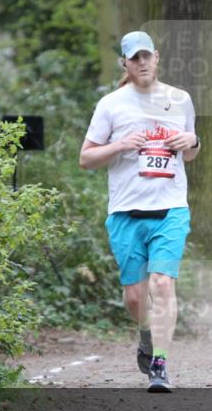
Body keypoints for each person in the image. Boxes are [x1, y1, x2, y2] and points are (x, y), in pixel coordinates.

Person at [79, 31, 199, 392]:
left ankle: (160, 363)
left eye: (147, 56)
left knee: (163, 284)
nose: (142, 63)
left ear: (157, 57)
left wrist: (191, 141)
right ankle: (146, 335)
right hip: (126, 212)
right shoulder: (111, 104)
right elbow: (85, 158)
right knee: (135, 296)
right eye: (135, 58)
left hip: (170, 208)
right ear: (125, 64)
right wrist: (119, 145)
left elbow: (191, 150)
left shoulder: (180, 99)